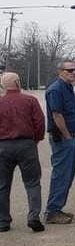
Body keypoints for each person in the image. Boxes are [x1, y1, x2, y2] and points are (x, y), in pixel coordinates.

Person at [0, 72, 46, 233]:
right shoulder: (30, 101)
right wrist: (36, 139)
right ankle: (33, 216)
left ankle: (3, 221)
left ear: (3, 85)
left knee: (2, 185)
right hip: (26, 144)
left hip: (3, 146)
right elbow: (40, 122)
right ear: (18, 83)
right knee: (32, 182)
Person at [44, 60, 75, 223]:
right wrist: (67, 135)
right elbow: (57, 115)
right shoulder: (56, 89)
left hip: (72, 136)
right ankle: (52, 211)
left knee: (68, 176)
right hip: (63, 138)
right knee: (61, 175)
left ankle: (57, 208)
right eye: (69, 70)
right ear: (60, 71)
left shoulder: (68, 88)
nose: (73, 73)